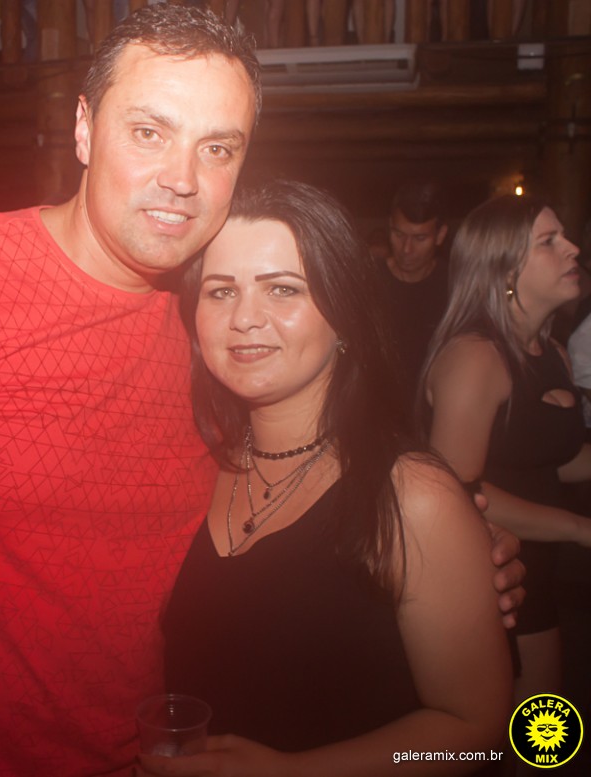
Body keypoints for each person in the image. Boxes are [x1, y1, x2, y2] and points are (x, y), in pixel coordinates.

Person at [0, 7, 523, 777]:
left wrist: (447, 557)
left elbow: (319, 505)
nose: (181, 179)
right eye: (149, 132)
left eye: (217, 147)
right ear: (83, 128)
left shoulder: (213, 332)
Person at [142, 181, 510, 775]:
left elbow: (476, 733)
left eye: (283, 288)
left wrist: (291, 773)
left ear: (345, 315)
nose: (244, 318)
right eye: (221, 291)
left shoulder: (412, 496)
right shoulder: (195, 466)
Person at [421, 195, 591, 707]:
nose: (573, 249)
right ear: (505, 271)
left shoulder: (551, 351)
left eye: (564, 237)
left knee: (542, 731)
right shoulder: (476, 357)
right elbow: (456, 494)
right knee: (510, 734)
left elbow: (556, 460)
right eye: (549, 242)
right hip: (487, 576)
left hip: (539, 569)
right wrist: (579, 529)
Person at [377, 178, 451, 403]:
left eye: (420, 238)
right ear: (389, 226)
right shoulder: (367, 280)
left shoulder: (455, 286)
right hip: (377, 409)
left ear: (440, 235)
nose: (407, 249)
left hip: (433, 409)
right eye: (399, 235)